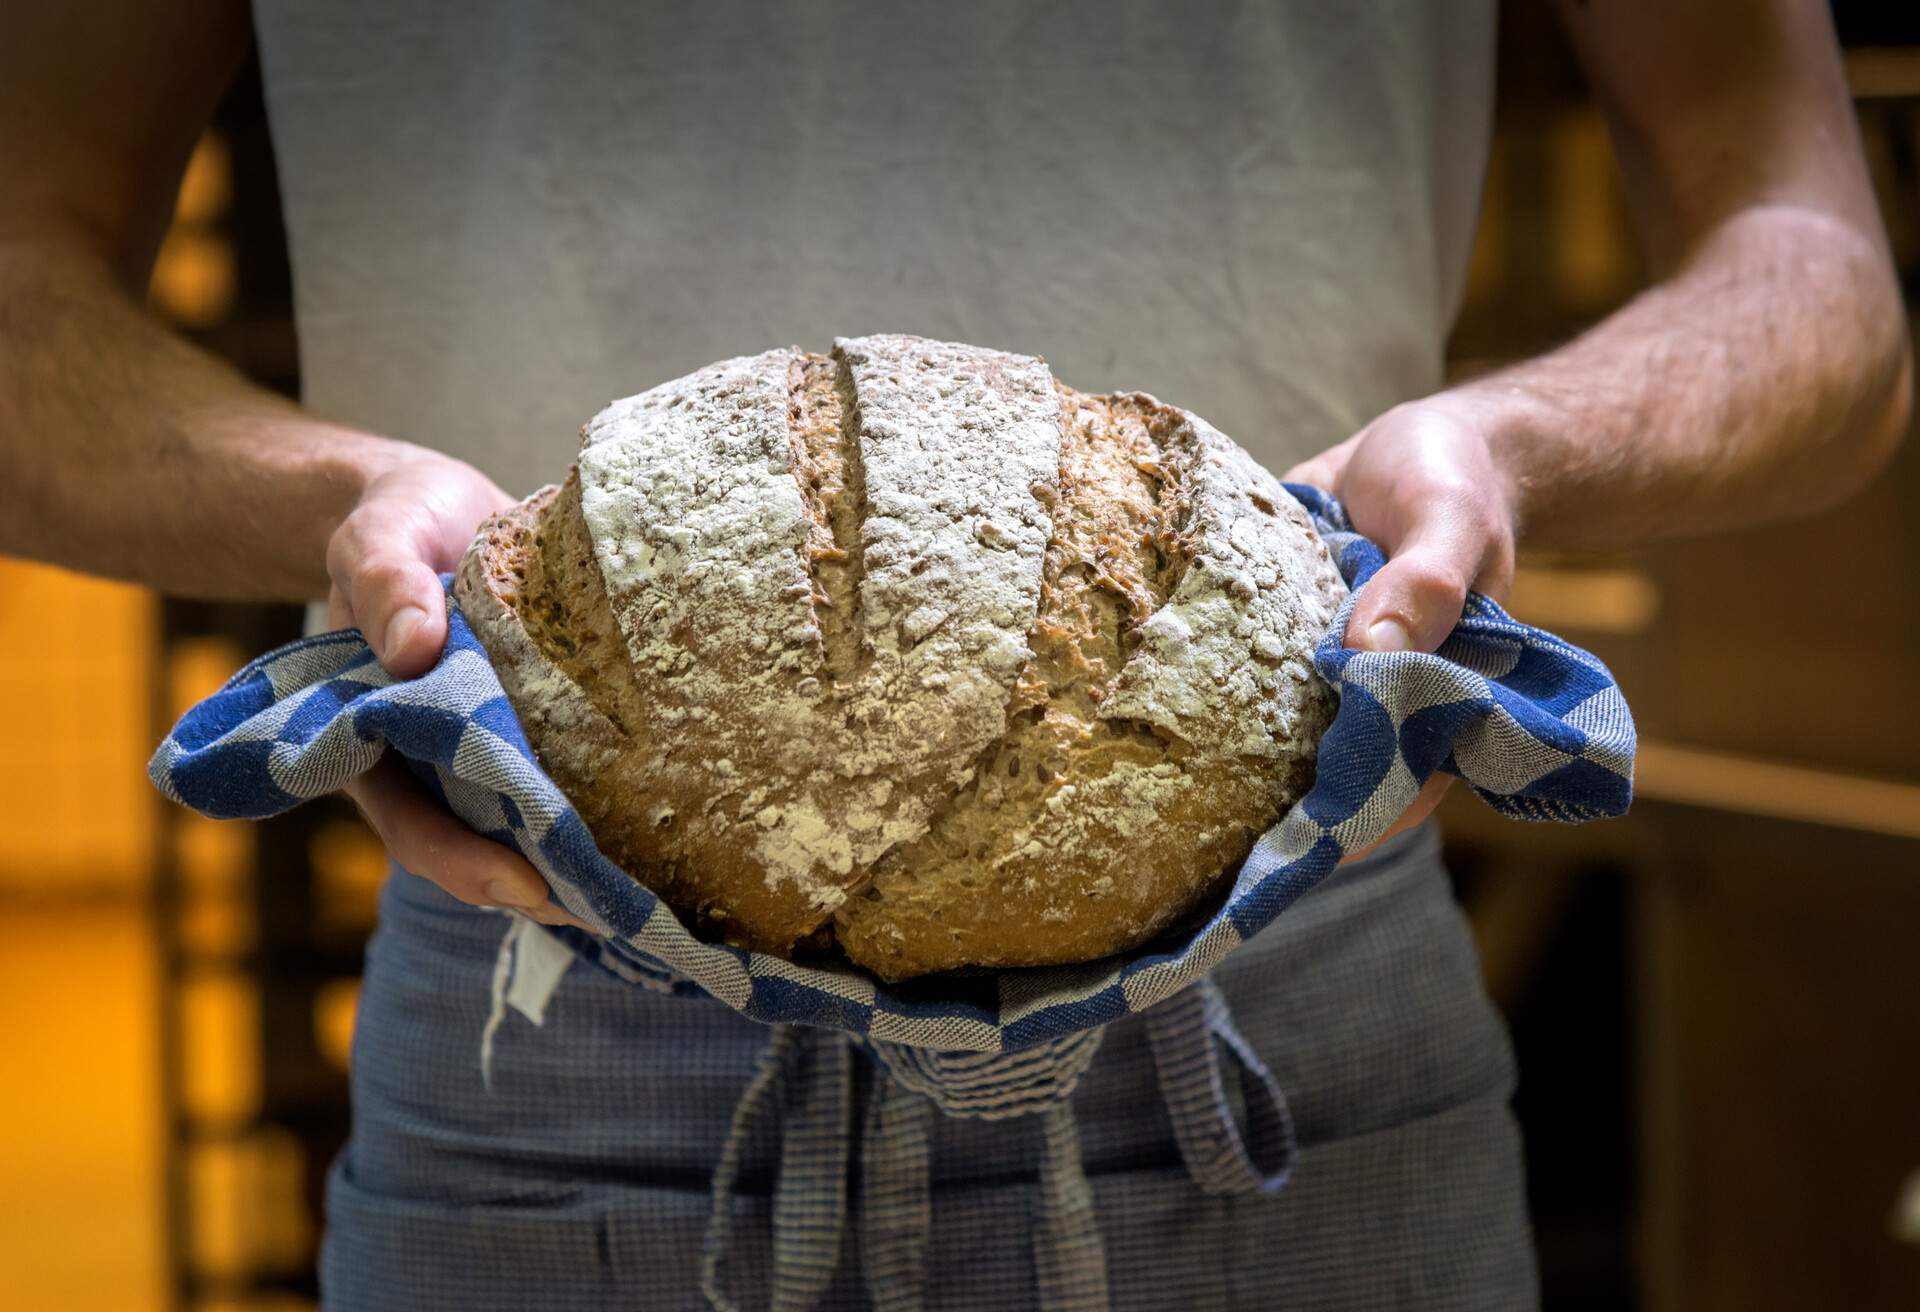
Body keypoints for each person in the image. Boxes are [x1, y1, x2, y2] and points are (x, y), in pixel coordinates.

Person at [1, 2, 1907, 1308]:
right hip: (547, 1036)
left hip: (1287, 1033)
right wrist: (347, 494)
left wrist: (1509, 445)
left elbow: (1821, 282)